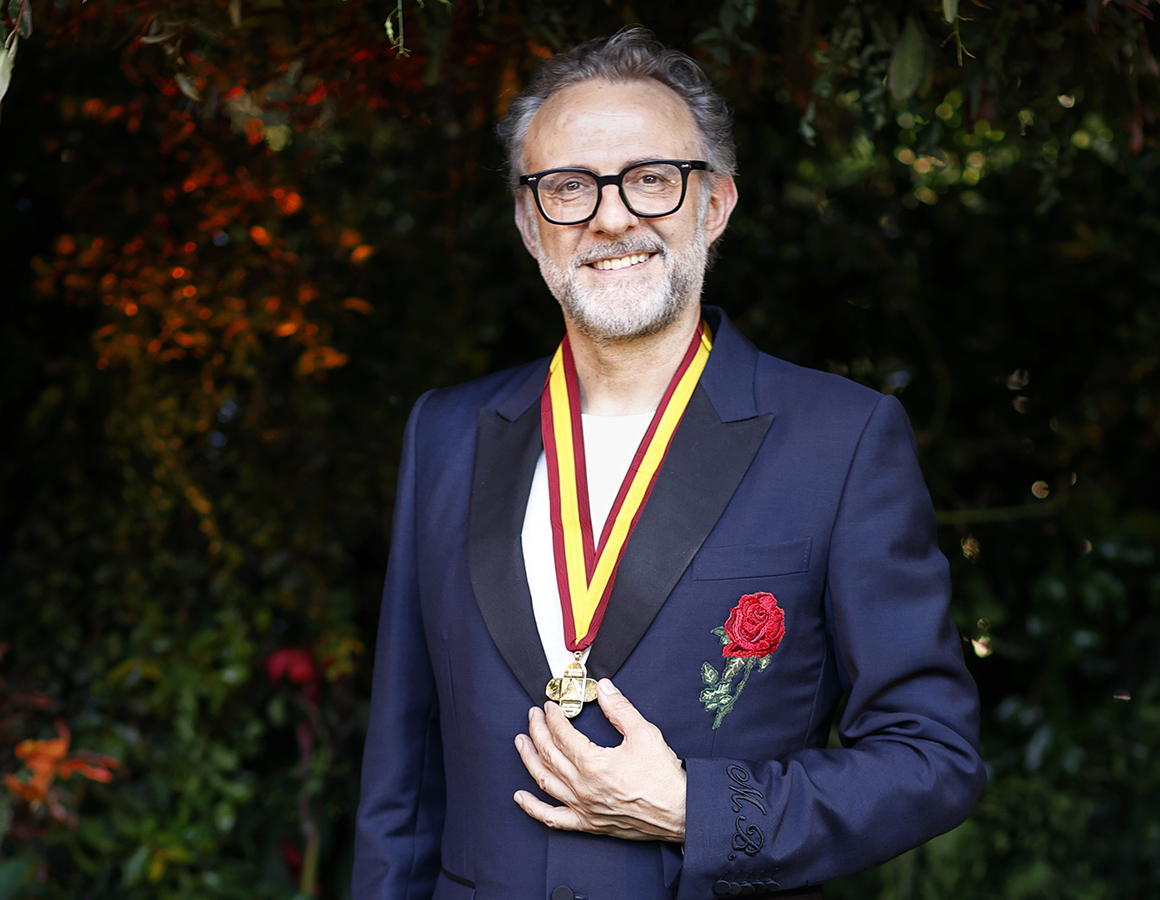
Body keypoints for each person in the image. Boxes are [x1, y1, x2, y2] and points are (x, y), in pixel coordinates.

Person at [352, 27, 985, 900]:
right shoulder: (447, 433)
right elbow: (402, 775)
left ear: (715, 203)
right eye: (569, 187)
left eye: (651, 178)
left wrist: (698, 807)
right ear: (530, 224)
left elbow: (933, 758)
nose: (612, 216)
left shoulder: (841, 439)